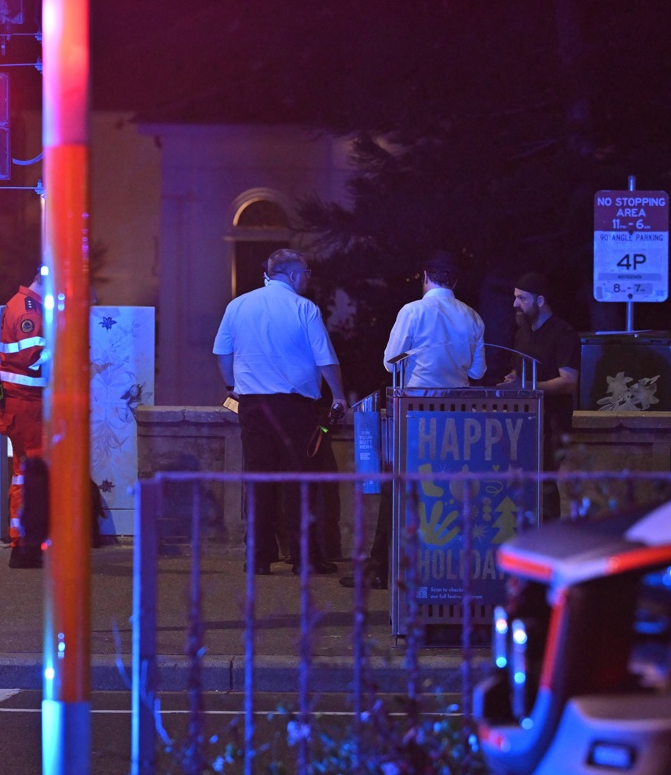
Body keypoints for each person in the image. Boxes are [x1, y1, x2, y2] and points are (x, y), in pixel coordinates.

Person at [341, 251, 486, 589]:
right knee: (447, 494)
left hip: (416, 413)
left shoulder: (413, 311)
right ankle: (440, 567)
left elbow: (390, 363)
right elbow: (478, 371)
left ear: (425, 277)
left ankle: (382, 568)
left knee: (398, 488)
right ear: (455, 281)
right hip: (457, 418)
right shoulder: (473, 317)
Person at [213, 249, 348, 576]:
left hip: (253, 406)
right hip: (296, 408)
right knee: (300, 482)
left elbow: (222, 351)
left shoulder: (239, 305)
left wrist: (232, 383)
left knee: (259, 480)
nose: (308, 277)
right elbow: (325, 359)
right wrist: (339, 397)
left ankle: (258, 558)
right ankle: (304, 558)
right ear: (290, 274)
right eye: (306, 272)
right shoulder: (305, 309)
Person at [499, 272, 580, 521]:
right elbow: (517, 371)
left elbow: (569, 382)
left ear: (540, 300)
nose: (515, 304)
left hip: (552, 424)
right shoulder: (521, 334)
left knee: (545, 482)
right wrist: (511, 382)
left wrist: (532, 388)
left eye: (521, 298)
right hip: (522, 424)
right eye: (515, 298)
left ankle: (550, 538)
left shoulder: (563, 333)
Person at [0, 267, 46, 568]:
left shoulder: (25, 304)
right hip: (28, 406)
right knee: (34, 477)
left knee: (23, 475)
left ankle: (22, 541)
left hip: (21, 405)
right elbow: (35, 358)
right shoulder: (28, 308)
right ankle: (28, 544)